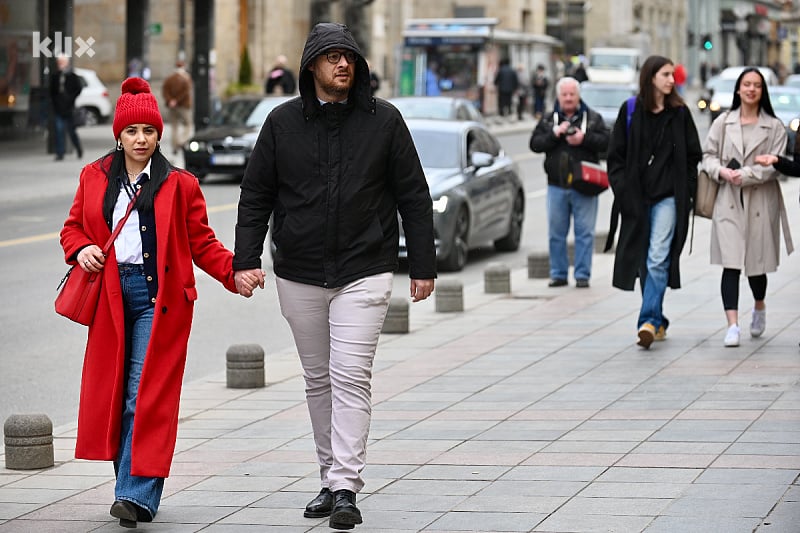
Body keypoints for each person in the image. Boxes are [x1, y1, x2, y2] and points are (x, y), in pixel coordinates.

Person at [232, 22, 436, 530]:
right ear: (311, 67)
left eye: (348, 56)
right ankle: (330, 477)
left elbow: (413, 194)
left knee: (350, 376)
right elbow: (256, 195)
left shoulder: (384, 121)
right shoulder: (281, 124)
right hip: (298, 271)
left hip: (364, 269)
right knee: (318, 380)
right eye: (330, 57)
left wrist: (424, 265)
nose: (341, 64)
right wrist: (246, 258)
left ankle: (346, 484)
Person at [59, 77, 244, 528]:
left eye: (148, 131)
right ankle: (133, 488)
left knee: (144, 395)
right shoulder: (94, 177)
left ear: (159, 134)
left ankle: (133, 494)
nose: (141, 139)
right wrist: (81, 248)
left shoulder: (180, 184)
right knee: (118, 396)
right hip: (110, 298)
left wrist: (234, 271)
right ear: (118, 136)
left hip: (157, 301)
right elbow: (72, 228)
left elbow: (202, 241)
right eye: (132, 131)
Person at [605, 55, 702, 349]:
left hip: (668, 198)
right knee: (645, 261)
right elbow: (615, 157)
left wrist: (684, 188)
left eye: (673, 74)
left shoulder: (680, 113)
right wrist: (622, 189)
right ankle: (658, 319)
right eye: (666, 74)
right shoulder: (631, 110)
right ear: (651, 78)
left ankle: (646, 321)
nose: (672, 80)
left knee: (658, 257)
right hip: (635, 197)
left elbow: (693, 153)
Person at [704, 67, 793, 347]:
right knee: (730, 264)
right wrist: (721, 171)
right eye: (746, 84)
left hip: (759, 200)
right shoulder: (723, 122)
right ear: (738, 89)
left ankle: (759, 305)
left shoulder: (774, 126)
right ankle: (732, 325)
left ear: (762, 91)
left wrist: (746, 174)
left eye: (756, 85)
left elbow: (775, 166)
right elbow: (707, 156)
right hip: (728, 200)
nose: (751, 89)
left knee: (756, 266)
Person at [530, 76, 610, 289]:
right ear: (558, 96)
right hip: (556, 185)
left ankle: (582, 275)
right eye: (564, 94)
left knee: (585, 232)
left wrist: (584, 139)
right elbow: (535, 144)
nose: (568, 98)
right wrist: (554, 135)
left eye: (571, 94)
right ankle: (558, 274)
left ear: (578, 96)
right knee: (556, 233)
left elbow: (608, 144)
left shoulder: (592, 119)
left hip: (585, 185)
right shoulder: (549, 120)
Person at [50, 54, 83, 160]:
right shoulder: (55, 76)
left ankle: (78, 148)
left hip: (69, 108)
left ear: (67, 63)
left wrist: (70, 98)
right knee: (59, 130)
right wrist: (55, 101)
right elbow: (52, 91)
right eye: (59, 62)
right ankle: (60, 153)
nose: (60, 65)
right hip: (59, 107)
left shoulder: (72, 76)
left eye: (62, 62)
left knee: (71, 130)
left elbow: (78, 88)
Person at [161, 60, 193, 155]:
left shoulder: (169, 79)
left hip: (172, 106)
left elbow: (165, 91)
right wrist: (177, 100)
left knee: (174, 127)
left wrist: (171, 100)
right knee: (188, 124)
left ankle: (174, 146)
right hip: (183, 106)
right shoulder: (186, 78)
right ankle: (181, 141)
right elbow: (186, 92)